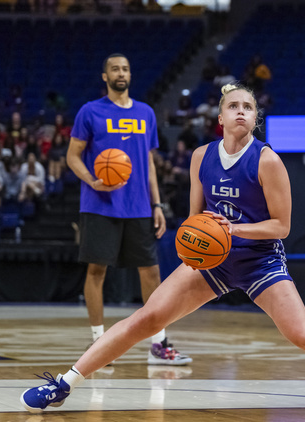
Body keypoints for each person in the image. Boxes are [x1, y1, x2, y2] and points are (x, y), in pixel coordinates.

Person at [21, 83, 305, 416]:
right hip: (212, 260)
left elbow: (282, 227)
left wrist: (232, 229)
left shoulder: (267, 161)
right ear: (220, 117)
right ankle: (64, 384)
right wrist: (193, 242)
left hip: (260, 260)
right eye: (233, 106)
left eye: (248, 107)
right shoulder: (201, 156)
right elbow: (194, 218)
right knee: (147, 318)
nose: (241, 112)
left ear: (255, 118)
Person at [65, 53, 190, 365]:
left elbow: (148, 163)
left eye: (125, 69)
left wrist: (157, 203)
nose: (120, 73)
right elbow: (72, 155)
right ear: (105, 76)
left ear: (130, 75)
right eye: (114, 69)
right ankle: (98, 344)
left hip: (138, 206)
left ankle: (159, 345)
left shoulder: (145, 113)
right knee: (96, 271)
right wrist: (92, 181)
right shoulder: (90, 111)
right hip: (99, 205)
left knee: (151, 272)